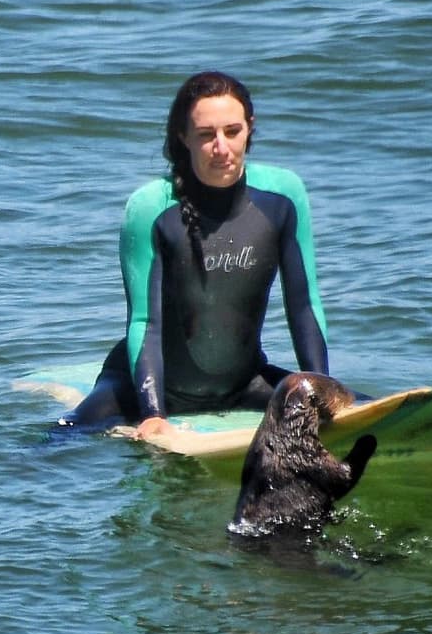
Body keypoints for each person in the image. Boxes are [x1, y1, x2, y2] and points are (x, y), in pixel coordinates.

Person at [57, 71, 331, 438]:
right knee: (63, 438)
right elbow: (144, 322)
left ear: (250, 128)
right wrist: (153, 413)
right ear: (183, 137)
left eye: (232, 131)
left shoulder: (282, 197)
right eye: (206, 135)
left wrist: (323, 392)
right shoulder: (151, 207)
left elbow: (303, 305)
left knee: (362, 409)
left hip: (243, 384)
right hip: (145, 388)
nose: (221, 147)